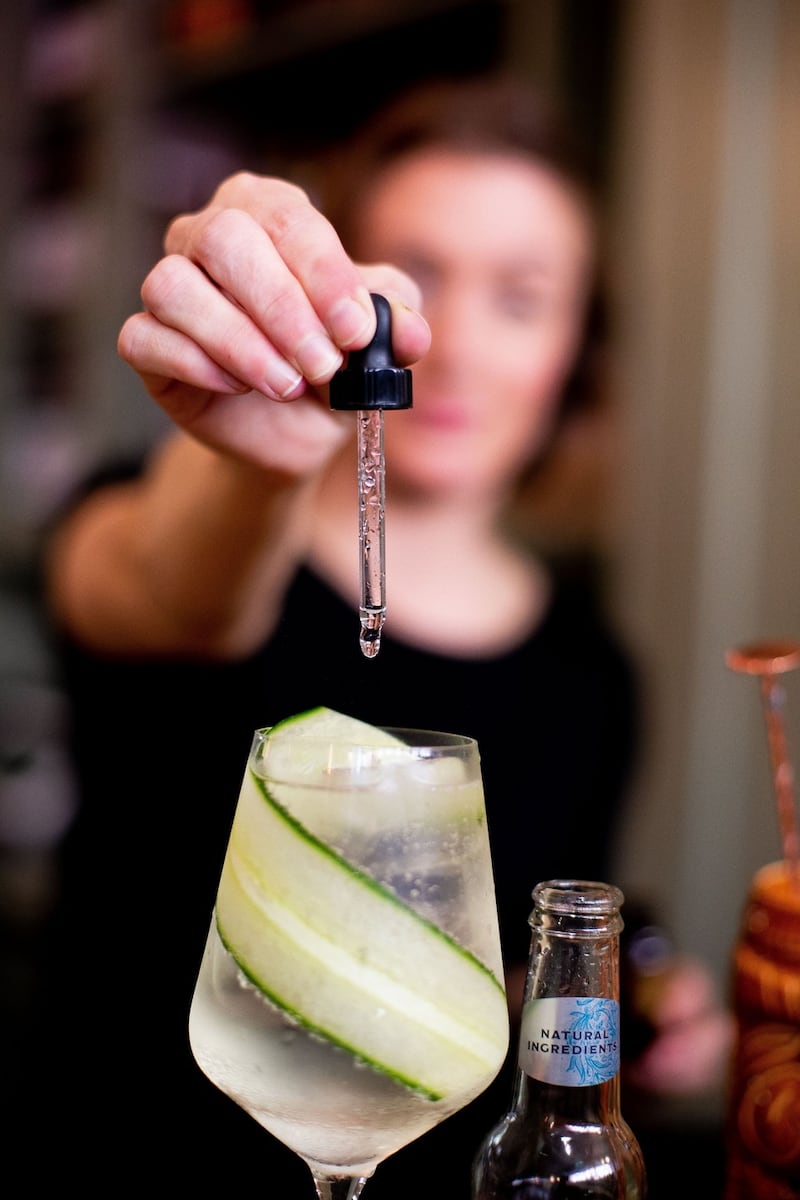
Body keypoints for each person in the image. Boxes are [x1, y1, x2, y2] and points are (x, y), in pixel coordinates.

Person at [33, 73, 731, 1193]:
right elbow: (165, 591)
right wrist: (259, 462)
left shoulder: (590, 676)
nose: (447, 345)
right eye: (419, 281)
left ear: (573, 353)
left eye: (520, 295)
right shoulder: (175, 519)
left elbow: (479, 977)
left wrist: (609, 1021)